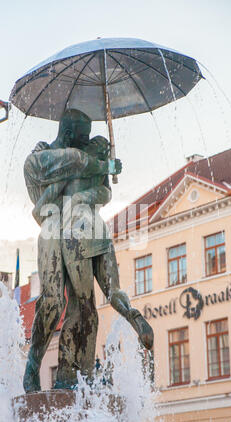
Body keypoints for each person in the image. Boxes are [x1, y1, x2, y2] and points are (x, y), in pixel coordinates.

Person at [23, 109, 153, 392]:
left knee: (83, 306)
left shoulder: (86, 159)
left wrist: (98, 180)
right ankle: (34, 366)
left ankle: (74, 374)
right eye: (82, 136)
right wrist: (103, 166)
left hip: (81, 229)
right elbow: (71, 163)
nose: (85, 142)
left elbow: (103, 190)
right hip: (52, 231)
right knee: (53, 302)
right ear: (69, 134)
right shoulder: (42, 157)